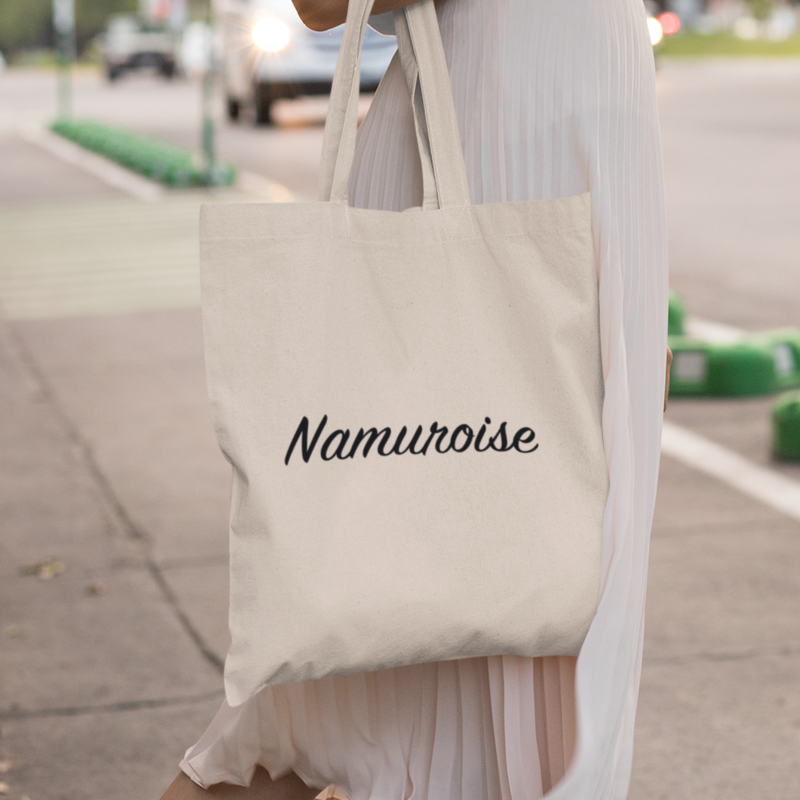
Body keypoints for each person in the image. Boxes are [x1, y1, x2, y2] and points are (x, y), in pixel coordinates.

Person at [160, 0, 670, 797]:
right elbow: (320, 7)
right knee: (387, 632)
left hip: (591, 131)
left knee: (538, 581)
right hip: (487, 132)